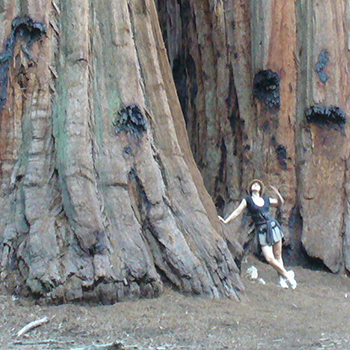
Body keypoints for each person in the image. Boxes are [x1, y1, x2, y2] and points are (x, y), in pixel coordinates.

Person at [218, 179, 297, 289]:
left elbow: (280, 203)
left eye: (258, 185)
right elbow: (237, 211)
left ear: (260, 189)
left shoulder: (265, 200)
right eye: (253, 184)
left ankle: (281, 280)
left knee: (278, 255)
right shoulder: (248, 200)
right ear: (251, 189)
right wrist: (226, 221)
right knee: (269, 258)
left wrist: (278, 194)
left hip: (273, 226)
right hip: (262, 230)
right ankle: (288, 276)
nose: (255, 185)